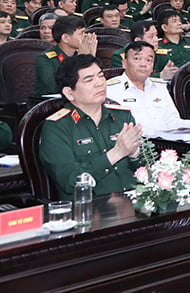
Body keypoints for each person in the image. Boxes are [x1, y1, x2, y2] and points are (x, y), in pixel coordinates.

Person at [39, 54, 143, 201]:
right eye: (89, 80)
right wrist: (116, 154)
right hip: (92, 209)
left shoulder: (122, 117)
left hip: (136, 201)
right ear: (69, 93)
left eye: (101, 76)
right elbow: (70, 181)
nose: (100, 83)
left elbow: (145, 168)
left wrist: (134, 156)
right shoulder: (57, 127)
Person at [106, 41, 190, 134]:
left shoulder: (159, 87)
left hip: (165, 145)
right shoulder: (111, 89)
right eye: (137, 59)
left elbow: (172, 122)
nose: (143, 64)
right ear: (124, 63)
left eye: (149, 60)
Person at [34, 16, 98, 95]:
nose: (85, 37)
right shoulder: (45, 59)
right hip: (51, 102)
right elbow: (54, 88)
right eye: (81, 33)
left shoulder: (77, 54)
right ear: (65, 38)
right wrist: (79, 62)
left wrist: (91, 59)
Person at [154, 9, 190, 79]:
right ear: (164, 27)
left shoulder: (189, 41)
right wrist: (161, 75)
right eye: (174, 21)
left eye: (180, 21)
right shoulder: (158, 45)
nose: (179, 23)